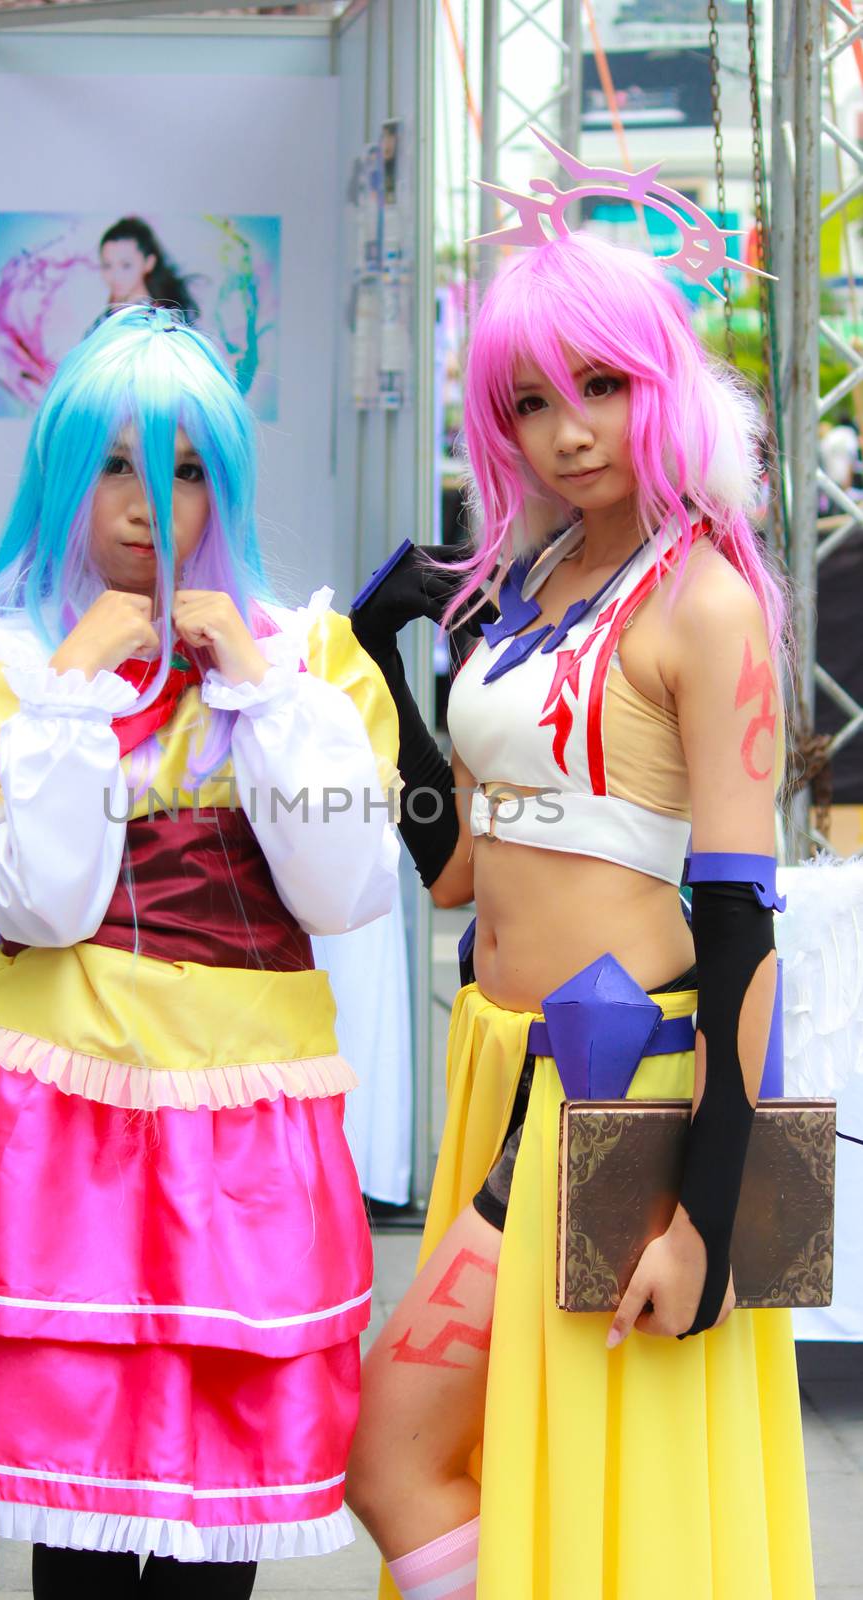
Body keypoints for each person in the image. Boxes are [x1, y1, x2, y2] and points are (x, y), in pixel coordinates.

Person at [0, 306, 400, 1598]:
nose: (147, 505)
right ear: (61, 473)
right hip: (61, 1121)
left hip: (247, 1125)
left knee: (221, 1504)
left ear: (225, 481)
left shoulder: (306, 661)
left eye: (184, 469)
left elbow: (347, 888)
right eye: (114, 465)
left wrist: (259, 691)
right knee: (73, 1500)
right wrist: (73, 690)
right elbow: (45, 909)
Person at [347, 231, 814, 1600]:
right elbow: (452, 874)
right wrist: (385, 672)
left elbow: (740, 925)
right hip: (498, 1063)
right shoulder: (531, 584)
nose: (563, 434)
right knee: (497, 1462)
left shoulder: (707, 601)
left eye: (596, 386)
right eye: (527, 405)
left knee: (398, 1454)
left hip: (616, 1083)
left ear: (660, 385)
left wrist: (709, 1220)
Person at [91, 216, 200, 332]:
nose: (115, 275)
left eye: (126, 265)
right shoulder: (108, 316)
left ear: (149, 263)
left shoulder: (157, 320)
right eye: (107, 265)